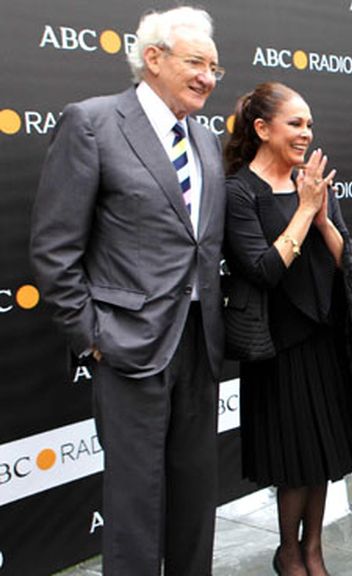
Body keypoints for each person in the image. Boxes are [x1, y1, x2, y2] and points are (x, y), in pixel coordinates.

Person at [29, 7, 225, 574]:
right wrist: (91, 337)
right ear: (154, 58)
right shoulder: (91, 123)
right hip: (128, 347)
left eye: (215, 68)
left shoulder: (206, 139)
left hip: (198, 344)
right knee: (136, 507)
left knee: (195, 502)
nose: (208, 78)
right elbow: (55, 246)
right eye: (196, 63)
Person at [222, 82, 352, 575]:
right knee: (294, 462)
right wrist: (303, 210)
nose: (306, 133)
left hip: (327, 341)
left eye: (310, 124)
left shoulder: (312, 183)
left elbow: (350, 263)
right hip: (279, 349)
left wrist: (322, 218)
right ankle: (288, 552)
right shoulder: (239, 192)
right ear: (261, 129)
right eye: (295, 123)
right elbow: (262, 270)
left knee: (321, 456)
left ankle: (314, 549)